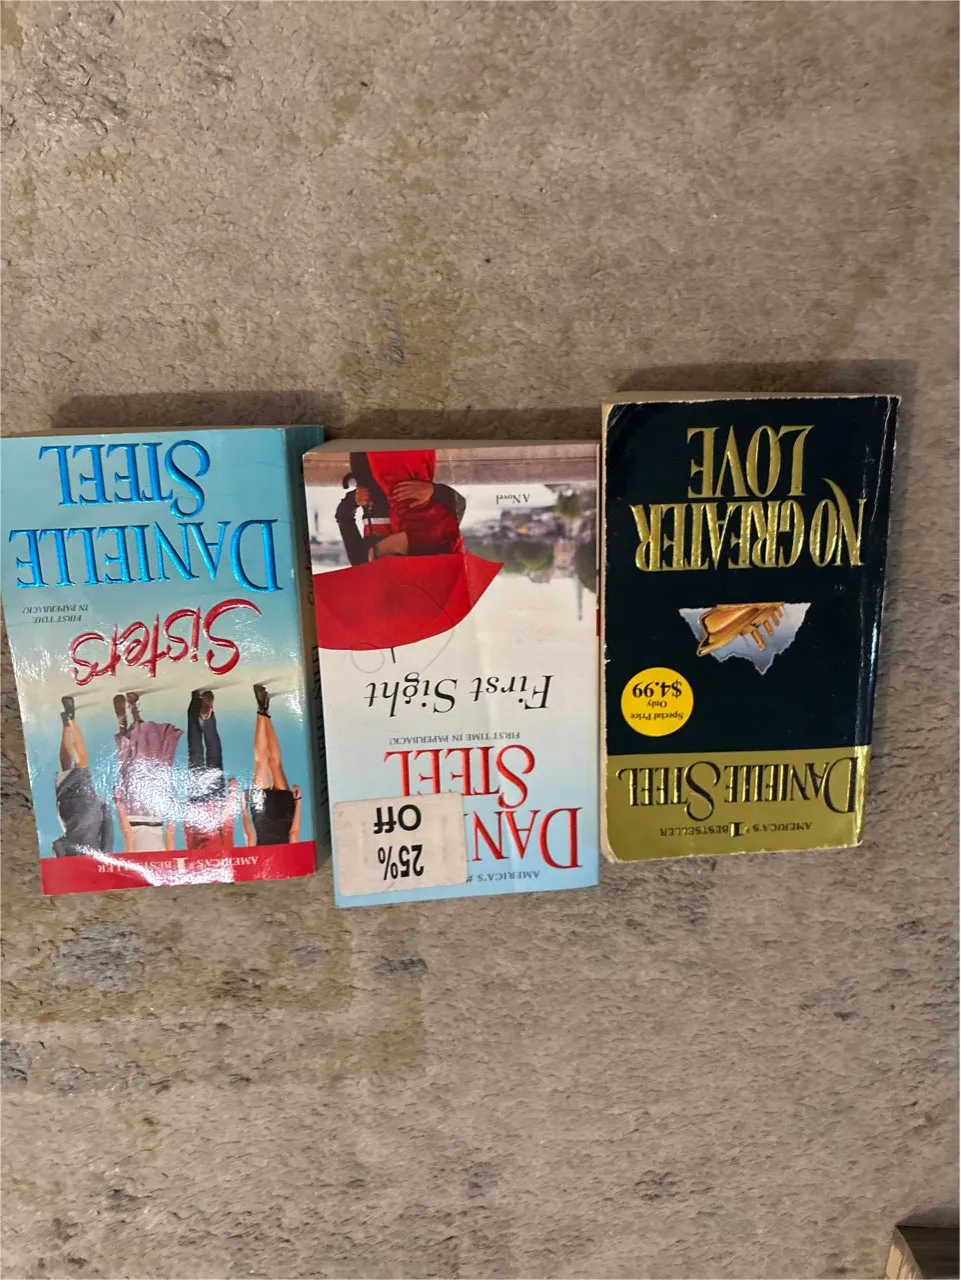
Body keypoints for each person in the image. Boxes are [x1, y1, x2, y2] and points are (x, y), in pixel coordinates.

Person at [335, 449, 466, 562]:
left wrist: (354, 499)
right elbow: (458, 506)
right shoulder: (428, 556)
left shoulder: (363, 565)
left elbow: (343, 517)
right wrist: (433, 490)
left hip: (365, 471)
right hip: (408, 468)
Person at [113, 691, 180, 853]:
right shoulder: (136, 864)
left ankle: (132, 712)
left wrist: (173, 810)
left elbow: (170, 833)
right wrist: (120, 805)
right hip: (136, 814)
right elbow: (128, 834)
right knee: (132, 764)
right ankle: (125, 720)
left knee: (149, 759)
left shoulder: (166, 863)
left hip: (153, 813)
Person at [241, 684, 302, 847]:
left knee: (275, 762)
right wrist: (243, 808)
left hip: (283, 811)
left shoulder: (288, 853)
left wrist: (298, 802)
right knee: (261, 761)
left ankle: (265, 711)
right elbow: (249, 835)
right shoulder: (257, 856)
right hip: (261, 811)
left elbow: (293, 833)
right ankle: (261, 709)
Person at [52, 696, 113, 858]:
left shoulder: (102, 857)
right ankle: (66, 724)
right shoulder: (68, 861)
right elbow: (57, 844)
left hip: (89, 813)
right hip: (66, 814)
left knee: (82, 766)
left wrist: (105, 806)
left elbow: (108, 832)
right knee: (65, 767)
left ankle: (71, 720)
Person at [182, 689, 238, 851]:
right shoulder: (195, 860)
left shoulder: (224, 855)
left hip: (214, 800)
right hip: (196, 803)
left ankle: (206, 719)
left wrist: (232, 793)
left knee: (214, 754)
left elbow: (227, 826)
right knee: (195, 751)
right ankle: (195, 701)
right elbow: (188, 832)